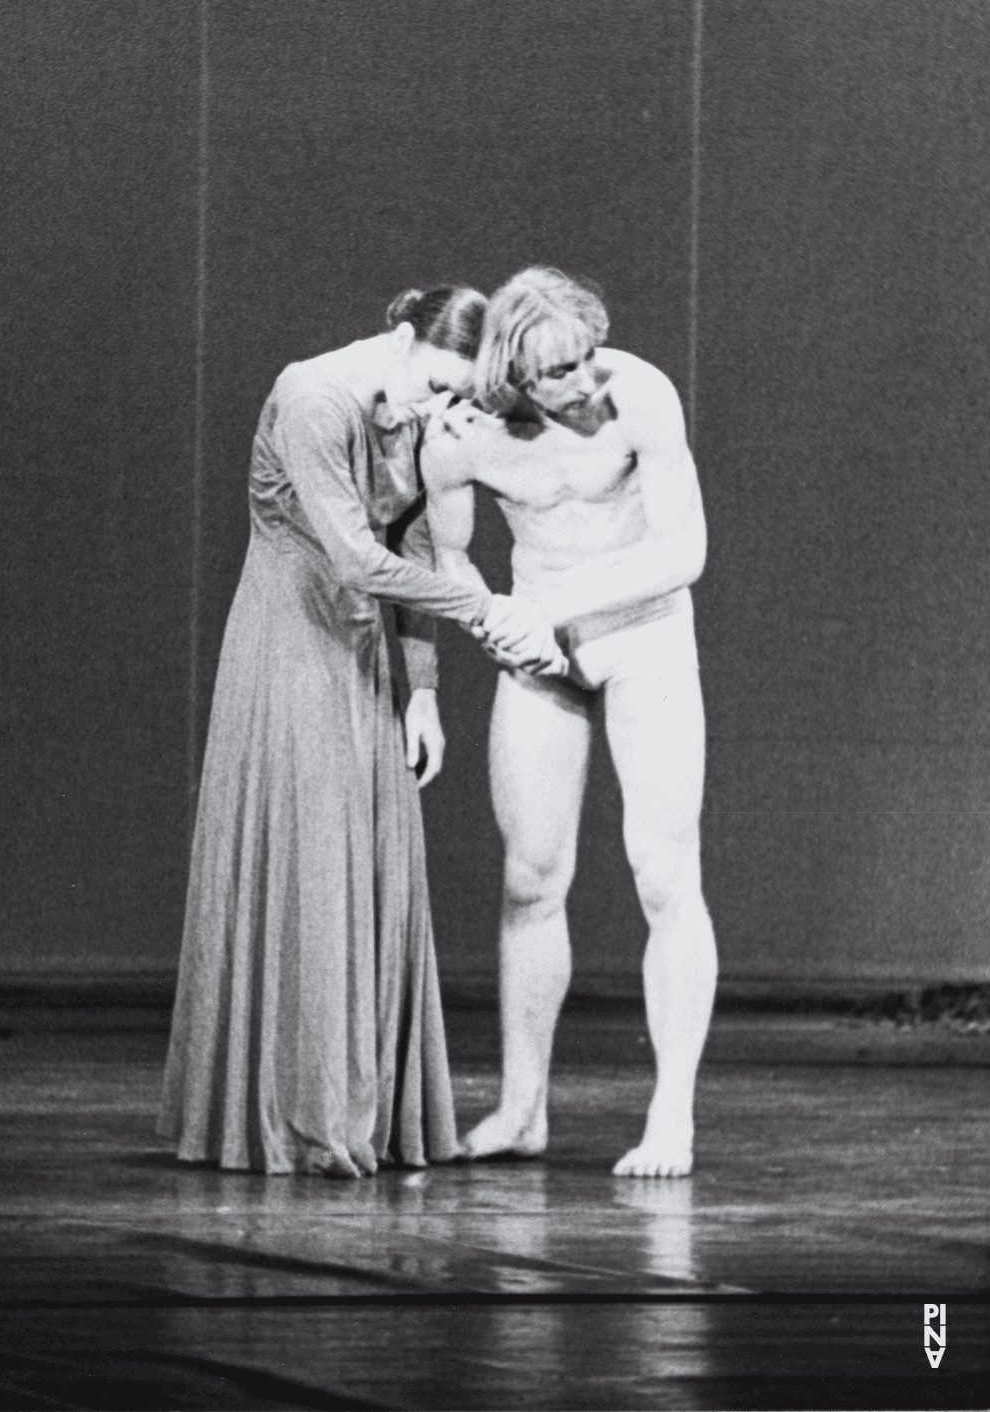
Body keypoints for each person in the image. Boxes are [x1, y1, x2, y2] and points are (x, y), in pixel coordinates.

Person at [157, 285, 563, 1178]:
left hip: (364, 651)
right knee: (310, 862)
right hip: (293, 639)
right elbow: (351, 554)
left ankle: (366, 1111)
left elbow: (412, 541)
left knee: (368, 867)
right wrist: (488, 607)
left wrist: (422, 690)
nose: (439, 408)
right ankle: (297, 1115)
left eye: (458, 395)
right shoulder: (313, 396)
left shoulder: (415, 407)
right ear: (399, 336)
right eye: (437, 385)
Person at [421, 267, 717, 1178]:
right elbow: (453, 557)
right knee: (531, 878)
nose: (585, 380)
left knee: (664, 874)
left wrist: (554, 608)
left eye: (588, 356)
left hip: (644, 639)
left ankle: (672, 1118)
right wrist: (497, 628)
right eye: (559, 372)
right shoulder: (461, 438)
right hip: (539, 653)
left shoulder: (639, 396)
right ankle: (522, 1109)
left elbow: (683, 551)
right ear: (512, 374)